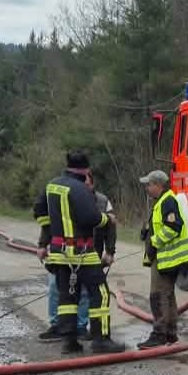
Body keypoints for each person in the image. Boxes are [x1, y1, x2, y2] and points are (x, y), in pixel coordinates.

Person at [34, 150, 124, 354]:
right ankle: (101, 340)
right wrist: (106, 219)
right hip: (82, 252)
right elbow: (89, 218)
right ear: (86, 169)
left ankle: (69, 341)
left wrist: (49, 233)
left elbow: (39, 211)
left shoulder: (51, 185)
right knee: (100, 293)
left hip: (58, 253)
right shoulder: (79, 188)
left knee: (67, 297)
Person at [137, 169, 188, 349]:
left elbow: (173, 227)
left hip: (167, 259)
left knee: (158, 296)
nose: (146, 188)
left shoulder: (168, 201)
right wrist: (147, 231)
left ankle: (159, 334)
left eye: (149, 184)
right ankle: (170, 333)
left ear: (158, 185)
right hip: (166, 259)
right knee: (167, 295)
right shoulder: (162, 201)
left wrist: (154, 241)